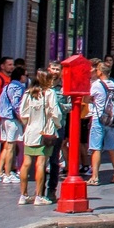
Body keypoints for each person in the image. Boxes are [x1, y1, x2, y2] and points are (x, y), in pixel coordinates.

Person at [17, 69, 60, 205]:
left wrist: (28, 124)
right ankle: (39, 196)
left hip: (30, 131)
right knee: (41, 163)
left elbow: (22, 113)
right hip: (44, 132)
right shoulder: (49, 93)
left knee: (26, 163)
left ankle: (23, 195)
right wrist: (57, 126)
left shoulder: (28, 93)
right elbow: (56, 113)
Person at [89, 60, 114, 185]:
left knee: (96, 148)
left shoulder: (97, 84)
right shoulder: (113, 83)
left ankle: (95, 177)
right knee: (111, 148)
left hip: (99, 118)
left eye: (97, 70)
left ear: (100, 72)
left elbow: (87, 98)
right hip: (111, 119)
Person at [0, 63, 26, 184]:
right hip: (12, 119)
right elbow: (16, 104)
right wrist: (22, 119)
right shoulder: (18, 87)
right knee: (11, 147)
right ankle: (7, 174)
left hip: (3, 118)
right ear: (21, 76)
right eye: (25, 75)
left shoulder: (6, 87)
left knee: (6, 146)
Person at [44, 59, 69, 203]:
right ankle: (39, 191)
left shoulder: (63, 88)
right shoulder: (42, 86)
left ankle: (51, 190)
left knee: (54, 160)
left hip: (58, 126)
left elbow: (70, 106)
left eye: (57, 69)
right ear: (48, 69)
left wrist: (57, 105)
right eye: (52, 68)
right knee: (41, 160)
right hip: (42, 127)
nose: (54, 71)